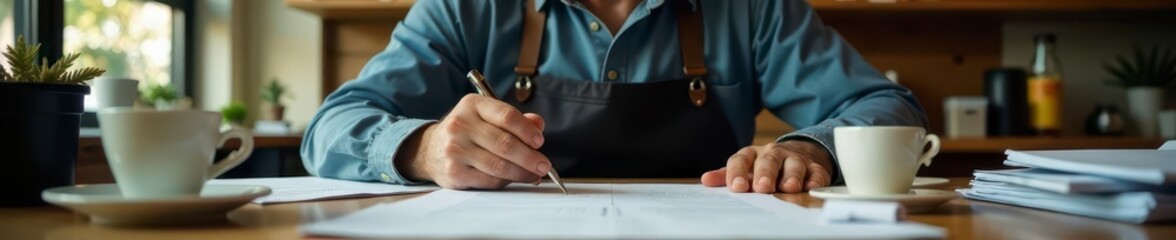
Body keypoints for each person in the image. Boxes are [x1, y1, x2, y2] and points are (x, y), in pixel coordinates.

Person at [300, 0, 927, 194]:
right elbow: (331, 127)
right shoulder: (467, 8)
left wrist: (809, 148)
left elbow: (887, 105)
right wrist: (423, 148)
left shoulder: (751, 8)